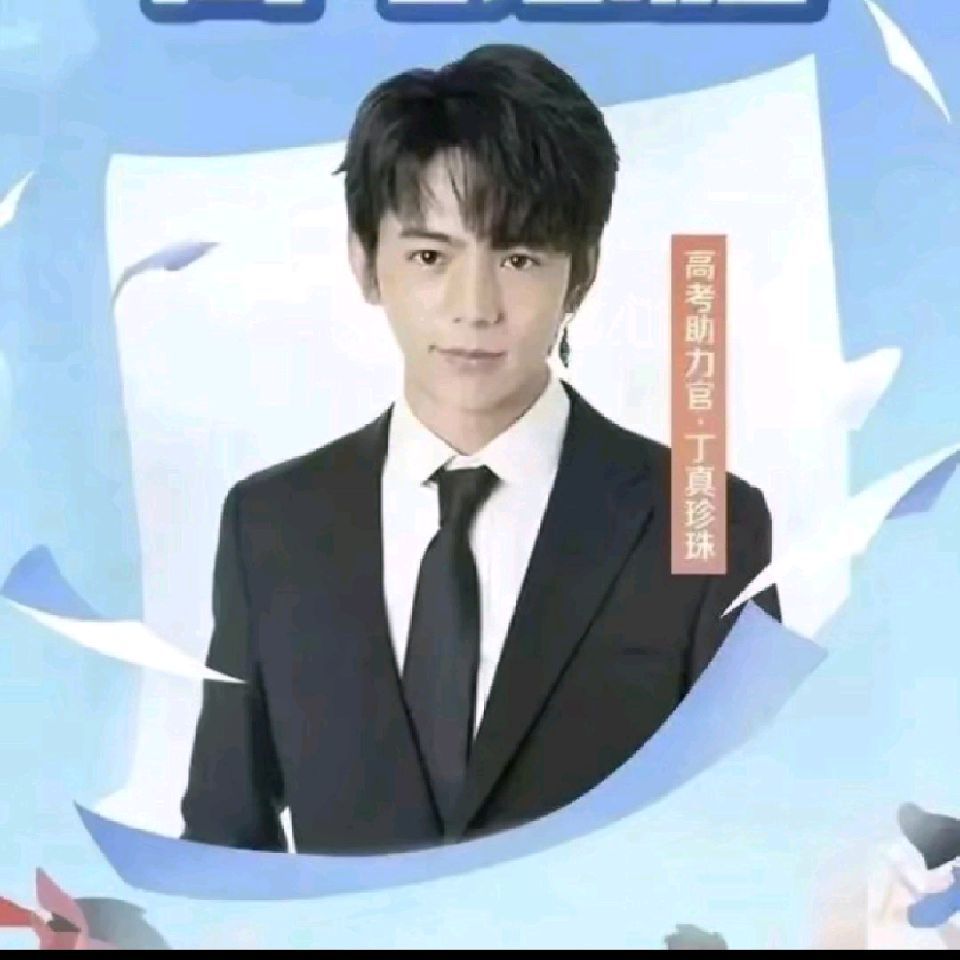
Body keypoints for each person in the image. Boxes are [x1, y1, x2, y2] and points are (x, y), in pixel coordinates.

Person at [180, 42, 782, 855]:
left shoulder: (705, 520)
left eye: (519, 257)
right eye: (430, 256)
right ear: (366, 261)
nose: (475, 307)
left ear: (581, 274)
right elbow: (223, 845)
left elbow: (756, 835)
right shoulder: (270, 526)